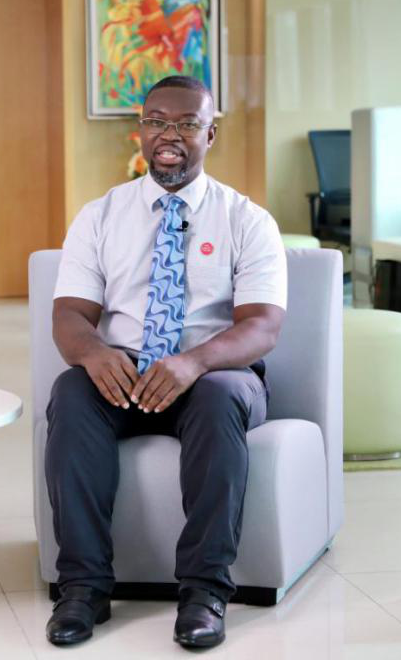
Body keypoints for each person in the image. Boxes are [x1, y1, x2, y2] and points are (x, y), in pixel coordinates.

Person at [44, 75, 287, 650]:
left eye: (185, 124)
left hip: (215, 372)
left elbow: (262, 326)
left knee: (219, 397)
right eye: (156, 122)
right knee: (71, 392)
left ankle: (204, 592)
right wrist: (96, 354)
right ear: (141, 130)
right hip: (126, 371)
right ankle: (83, 588)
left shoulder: (247, 220)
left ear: (211, 133)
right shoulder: (100, 215)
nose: (168, 135)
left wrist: (193, 363)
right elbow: (69, 315)